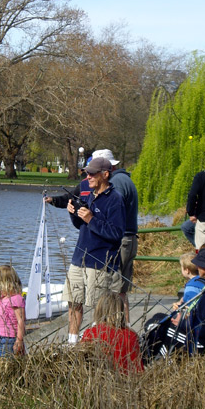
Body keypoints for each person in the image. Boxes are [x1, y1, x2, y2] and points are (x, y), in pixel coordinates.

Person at [63, 156, 126, 344]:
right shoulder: (90, 196)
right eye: (87, 173)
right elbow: (82, 226)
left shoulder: (115, 200)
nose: (88, 176)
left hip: (99, 262)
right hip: (78, 259)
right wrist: (73, 214)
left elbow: (116, 233)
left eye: (92, 173)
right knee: (73, 302)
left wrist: (91, 219)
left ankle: (96, 343)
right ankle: (72, 342)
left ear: (105, 175)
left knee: (99, 307)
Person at [90, 149, 139, 326]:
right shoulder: (126, 179)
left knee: (113, 288)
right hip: (130, 238)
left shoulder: (116, 183)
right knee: (122, 290)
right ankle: (123, 329)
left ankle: (112, 330)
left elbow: (109, 214)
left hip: (121, 241)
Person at [81, 291, 143, 373]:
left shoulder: (91, 333)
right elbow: (138, 368)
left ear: (98, 310)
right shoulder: (132, 335)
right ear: (121, 311)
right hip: (128, 381)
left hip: (102, 379)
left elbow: (81, 360)